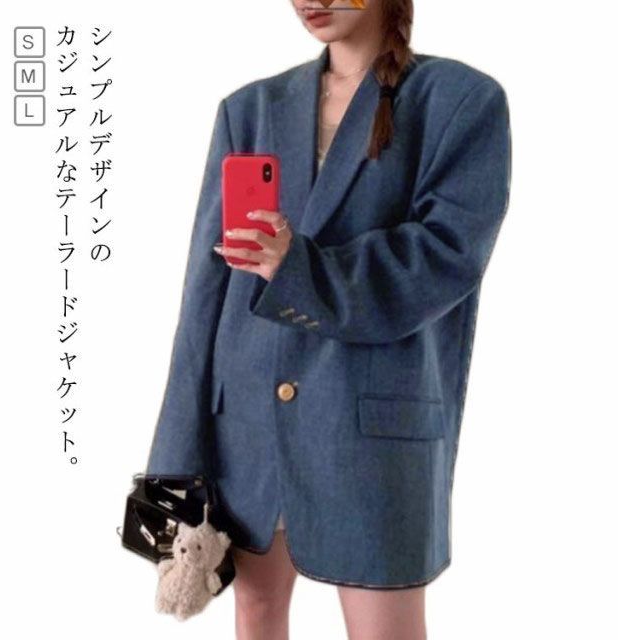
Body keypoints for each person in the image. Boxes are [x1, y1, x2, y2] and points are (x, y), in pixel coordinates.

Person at [145, 0, 512, 638]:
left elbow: (445, 258)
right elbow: (204, 295)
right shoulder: (249, 109)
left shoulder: (460, 101)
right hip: (248, 428)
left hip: (371, 424)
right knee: (258, 612)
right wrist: (174, 456)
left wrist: (299, 267)